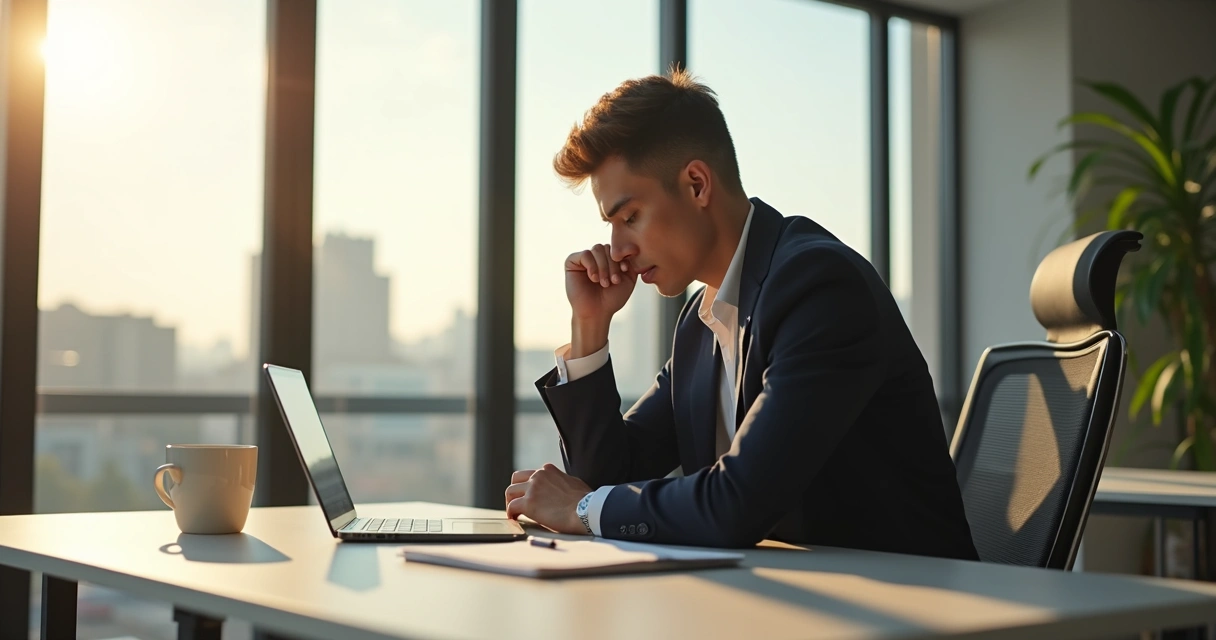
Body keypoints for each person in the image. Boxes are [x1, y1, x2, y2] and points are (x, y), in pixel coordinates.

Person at [504, 69, 977, 559]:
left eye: (630, 217)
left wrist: (583, 508)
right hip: (788, 597)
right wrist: (589, 328)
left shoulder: (819, 287)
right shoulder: (700, 323)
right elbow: (603, 481)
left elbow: (737, 502)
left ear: (696, 184)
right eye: (611, 224)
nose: (617, 248)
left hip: (915, 603)